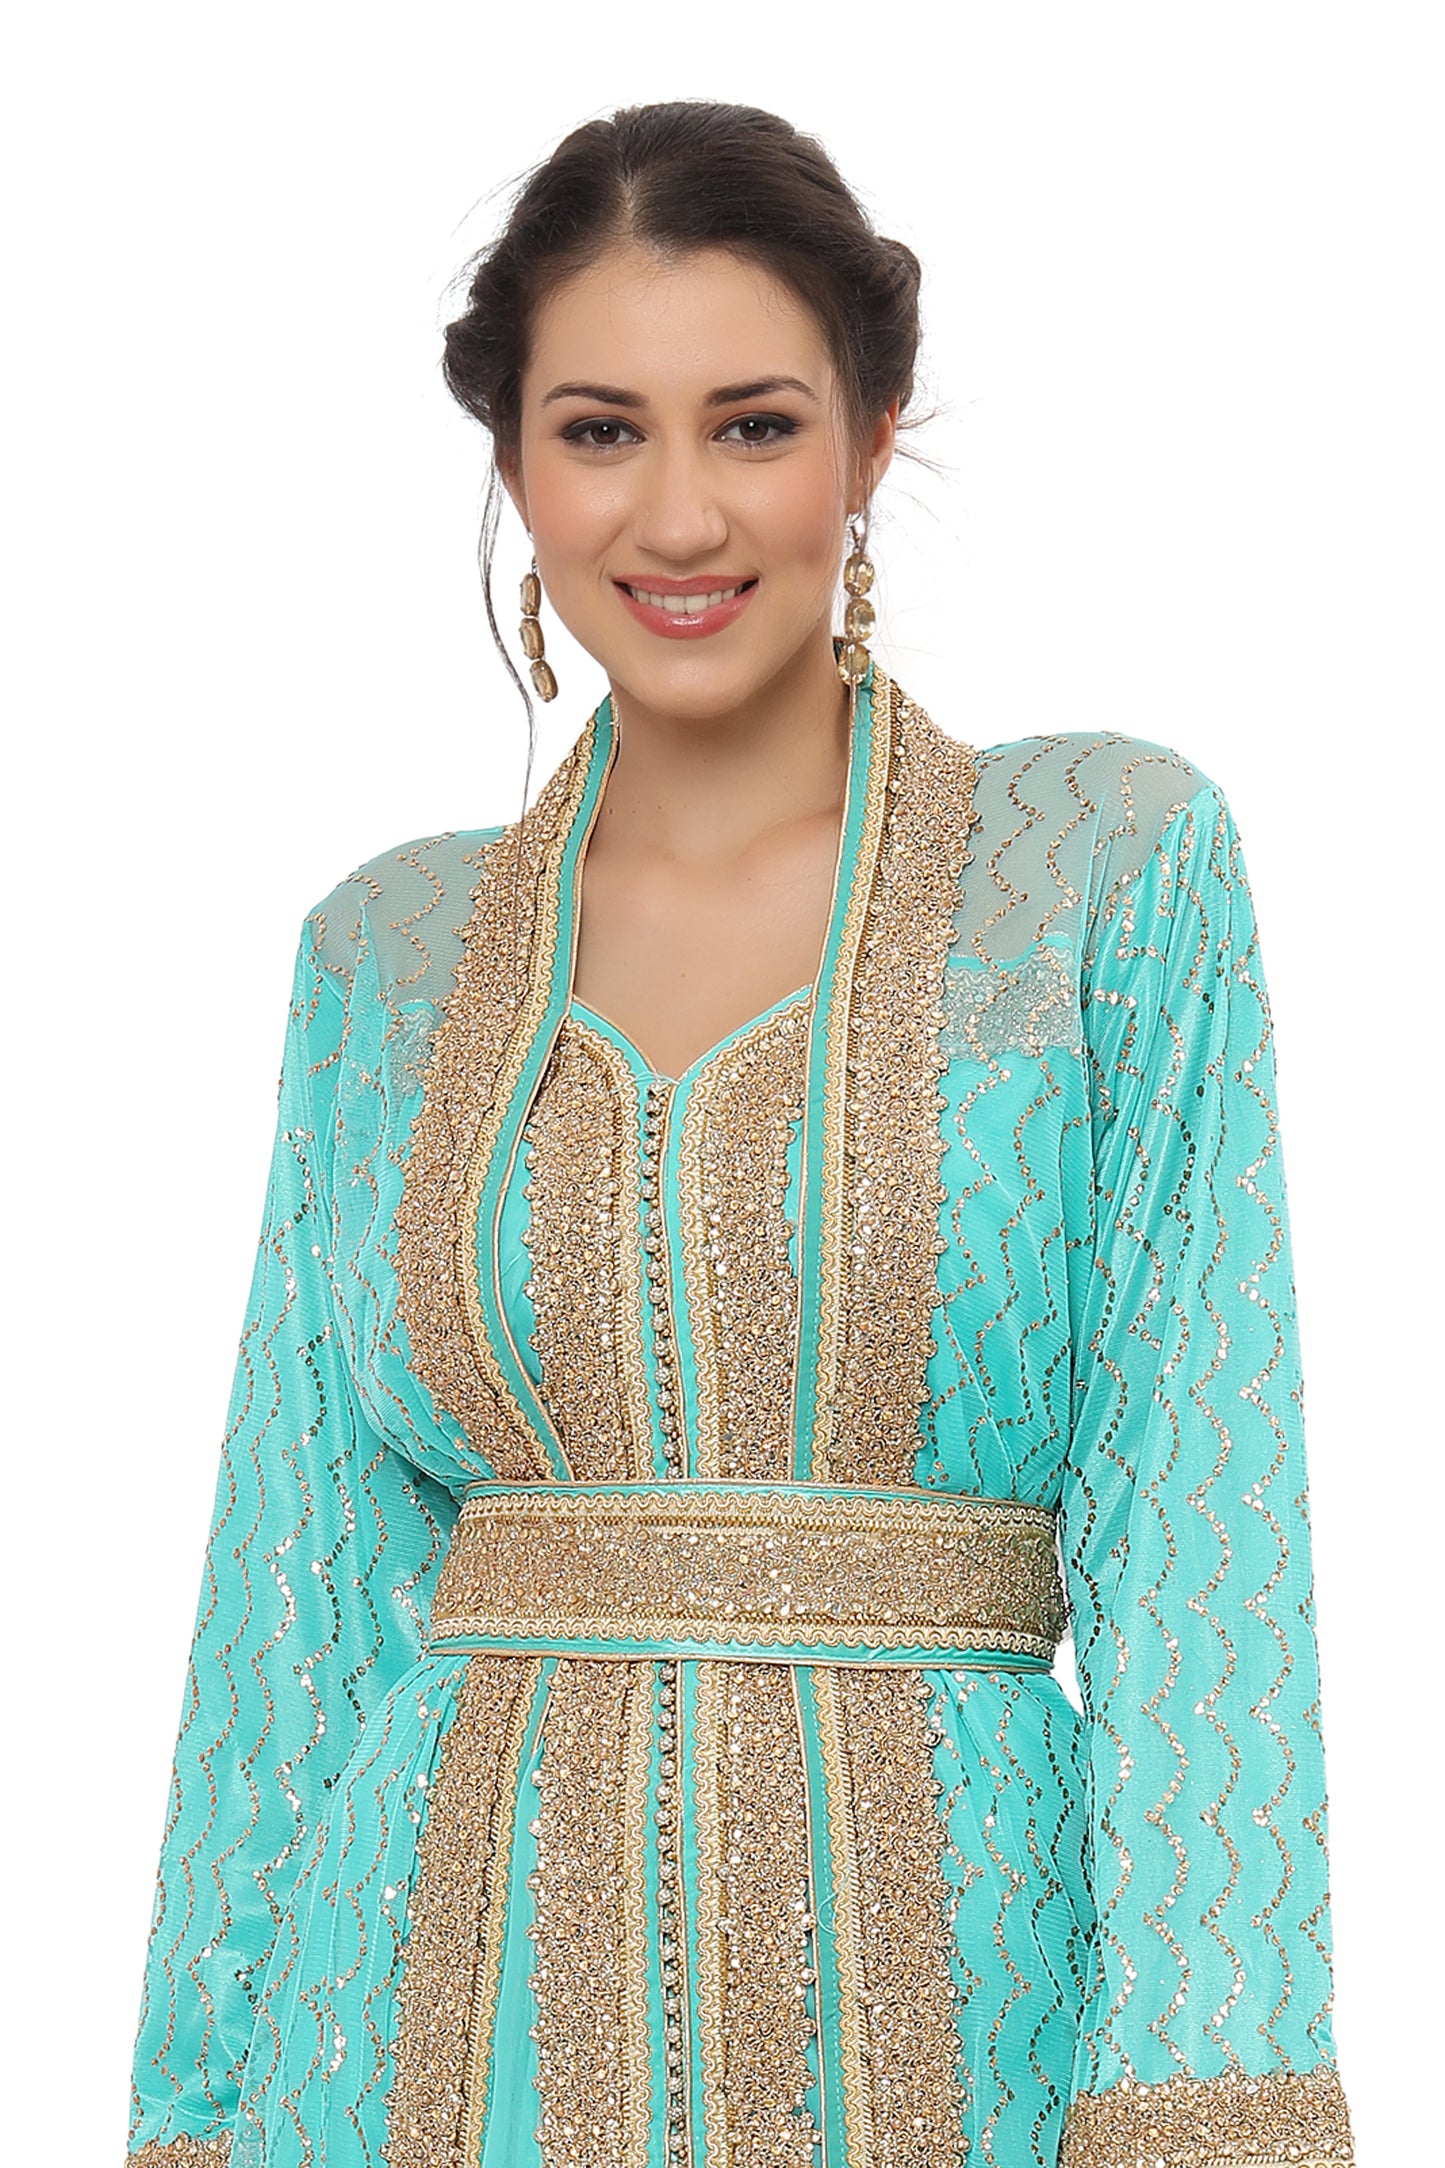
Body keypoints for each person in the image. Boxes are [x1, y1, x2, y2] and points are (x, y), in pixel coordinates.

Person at [123, 99, 1356, 2168]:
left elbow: (1202, 1538)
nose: (679, 514)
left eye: (754, 426)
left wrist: (1203, 2108)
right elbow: (293, 1603)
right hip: (418, 2049)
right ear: (513, 464)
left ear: (871, 438)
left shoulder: (1099, 872)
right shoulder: (386, 956)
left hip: (958, 2032)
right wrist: (194, 2118)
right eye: (601, 430)